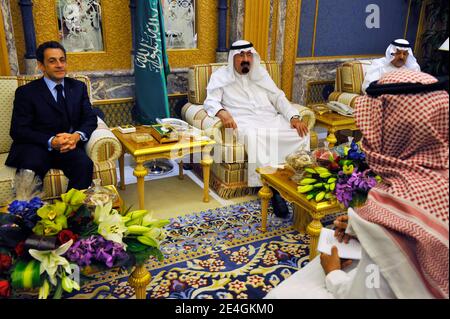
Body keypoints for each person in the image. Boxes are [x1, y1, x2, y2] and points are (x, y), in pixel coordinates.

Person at [265, 69, 449, 299]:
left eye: (372, 127)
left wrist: (332, 273)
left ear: (390, 132)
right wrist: (359, 228)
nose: (366, 136)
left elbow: (363, 294)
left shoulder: (391, 212)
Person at [204, 40, 310, 218]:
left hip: (269, 118)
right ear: (233, 58)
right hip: (245, 122)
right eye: (241, 55)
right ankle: (272, 187)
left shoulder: (261, 74)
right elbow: (210, 101)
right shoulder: (221, 76)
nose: (246, 59)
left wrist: (294, 117)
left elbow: (279, 98)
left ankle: (296, 177)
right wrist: (223, 113)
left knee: (300, 134)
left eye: (248, 55)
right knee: (255, 136)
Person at [6, 41, 98, 191]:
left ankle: (73, 211)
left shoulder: (78, 87)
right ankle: (29, 212)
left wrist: (76, 136)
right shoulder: (26, 93)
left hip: (67, 146)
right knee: (29, 171)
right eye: (52, 61)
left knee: (84, 164)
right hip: (37, 147)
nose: (59, 65)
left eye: (62, 60)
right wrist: (51, 141)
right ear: (41, 65)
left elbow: (90, 118)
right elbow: (18, 130)